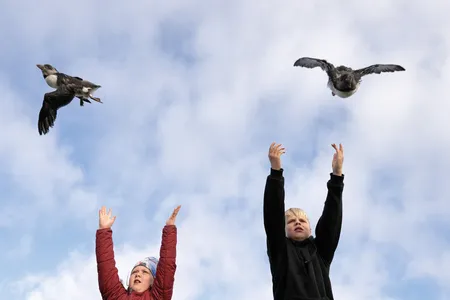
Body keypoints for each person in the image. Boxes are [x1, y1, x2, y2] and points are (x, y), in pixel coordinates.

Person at [263, 142, 344, 300]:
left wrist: (337, 176)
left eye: (302, 220)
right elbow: (272, 215)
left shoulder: (320, 252)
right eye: (292, 221)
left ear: (310, 228)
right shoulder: (280, 250)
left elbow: (331, 220)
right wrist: (275, 174)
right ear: (285, 228)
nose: (298, 223)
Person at [96, 205, 181, 299]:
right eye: (134, 272)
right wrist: (104, 230)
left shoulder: (158, 297)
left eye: (145, 272)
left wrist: (169, 230)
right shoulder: (117, 296)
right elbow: (106, 268)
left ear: (154, 281)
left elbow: (166, 266)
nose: (138, 274)